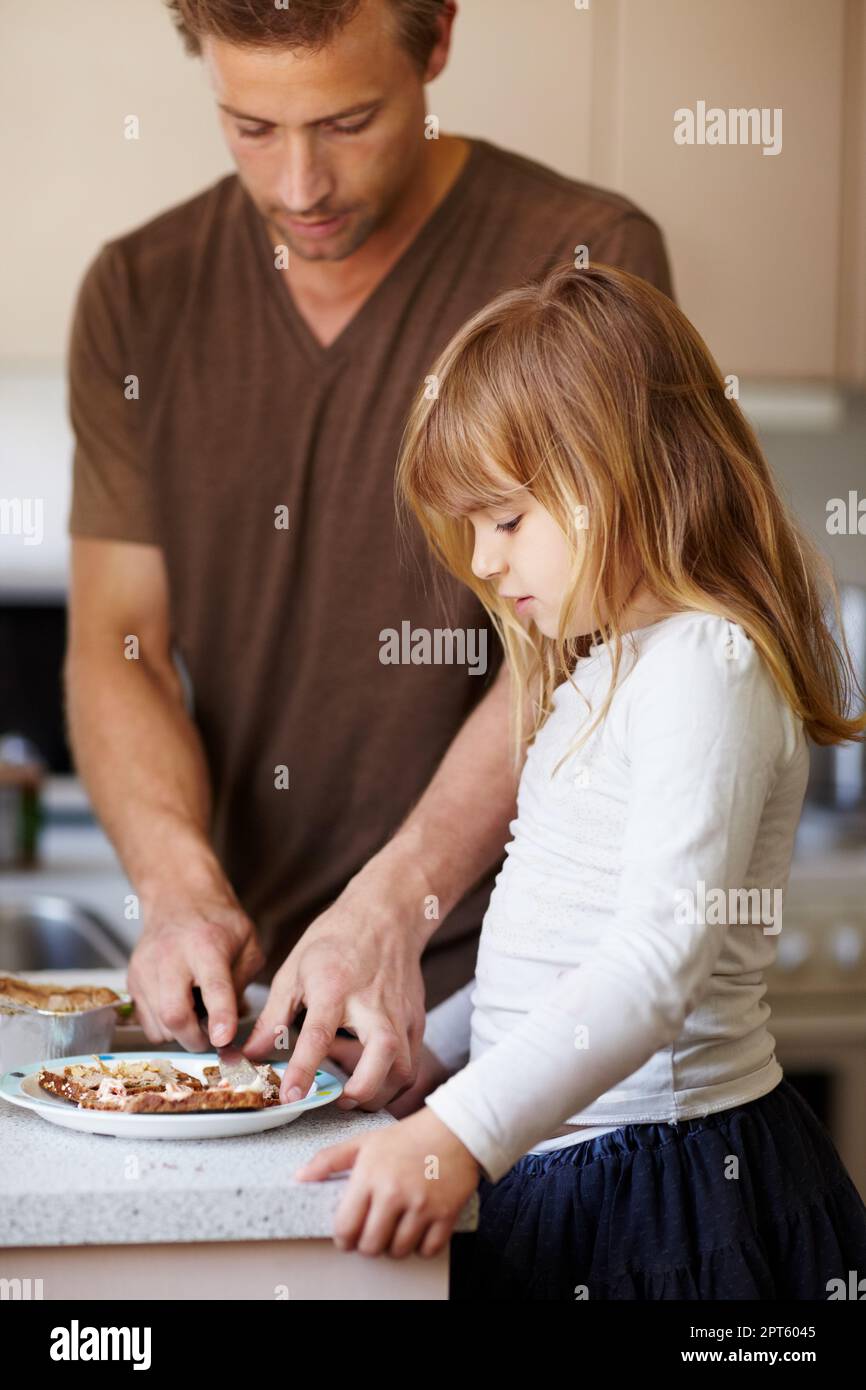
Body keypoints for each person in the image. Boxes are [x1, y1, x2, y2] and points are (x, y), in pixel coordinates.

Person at [64, 0, 673, 1108]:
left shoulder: (582, 258)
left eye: (347, 122)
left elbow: (588, 634)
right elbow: (119, 643)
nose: (299, 188)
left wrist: (398, 900)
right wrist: (178, 885)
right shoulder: (138, 295)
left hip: (522, 996)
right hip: (265, 1010)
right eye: (250, 127)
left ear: (435, 39)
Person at [294, 261, 866, 1299]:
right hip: (573, 1160)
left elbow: (652, 967)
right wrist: (444, 1054)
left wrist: (459, 1131)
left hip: (671, 1190)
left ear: (624, 474)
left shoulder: (707, 664)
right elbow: (552, 935)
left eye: (505, 521)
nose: (483, 560)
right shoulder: (606, 667)